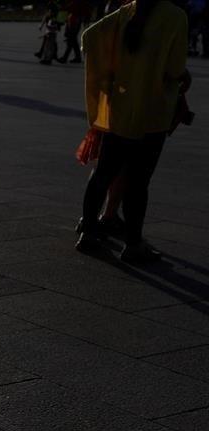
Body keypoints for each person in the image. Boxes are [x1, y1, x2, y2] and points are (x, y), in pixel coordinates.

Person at [77, 0, 191, 261]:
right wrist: (184, 76)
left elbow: (90, 36)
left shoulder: (127, 11)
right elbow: (174, 69)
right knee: (139, 180)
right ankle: (133, 243)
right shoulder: (175, 16)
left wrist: (111, 73)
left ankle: (89, 232)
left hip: (121, 109)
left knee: (103, 173)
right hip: (153, 112)